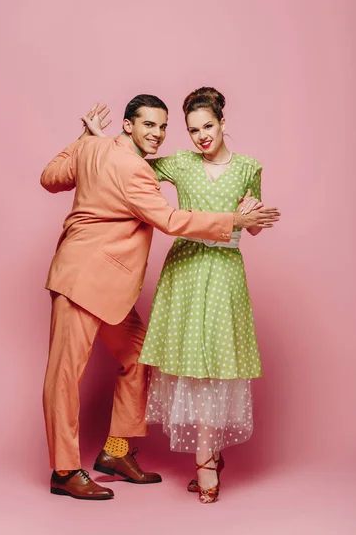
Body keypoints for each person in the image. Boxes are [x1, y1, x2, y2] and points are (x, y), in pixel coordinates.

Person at [41, 94, 280, 501]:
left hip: (110, 287)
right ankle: (64, 470)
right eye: (147, 125)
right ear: (127, 125)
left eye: (162, 126)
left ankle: (116, 452)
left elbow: (51, 177)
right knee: (65, 374)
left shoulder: (97, 148)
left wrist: (86, 139)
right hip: (81, 278)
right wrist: (233, 221)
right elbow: (169, 219)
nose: (157, 134)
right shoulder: (132, 168)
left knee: (138, 358)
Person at [137, 87, 279, 504]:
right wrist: (96, 139)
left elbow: (250, 225)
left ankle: (208, 456)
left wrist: (256, 219)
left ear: (222, 123)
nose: (201, 136)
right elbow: (134, 168)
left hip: (225, 272)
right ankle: (206, 459)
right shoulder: (180, 163)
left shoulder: (249, 167)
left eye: (208, 126)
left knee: (216, 365)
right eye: (193, 130)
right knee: (191, 367)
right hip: (185, 270)